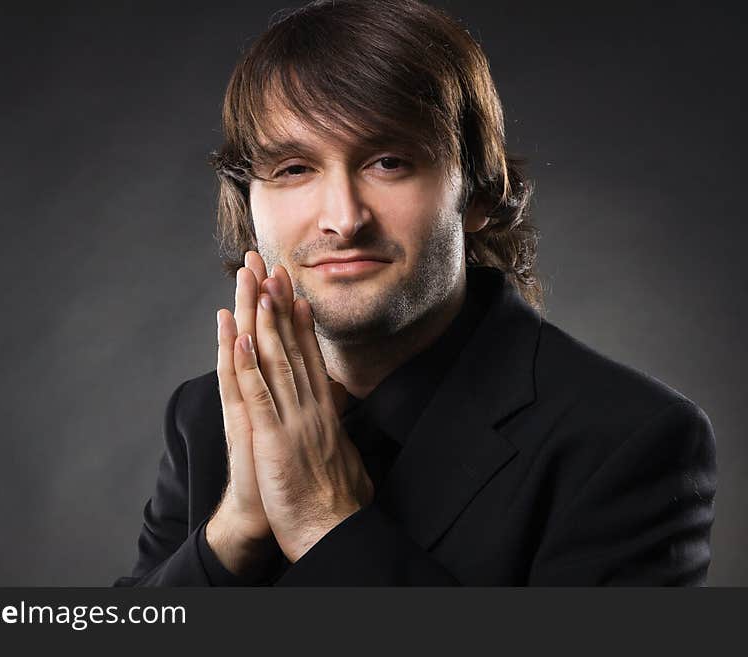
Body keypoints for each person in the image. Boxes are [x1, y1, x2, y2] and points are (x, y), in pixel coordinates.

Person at [114, 0, 716, 586]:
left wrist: (326, 522)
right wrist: (234, 532)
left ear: (479, 193)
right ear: (249, 204)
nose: (343, 219)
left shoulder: (628, 439)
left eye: (389, 162)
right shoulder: (205, 417)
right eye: (294, 168)